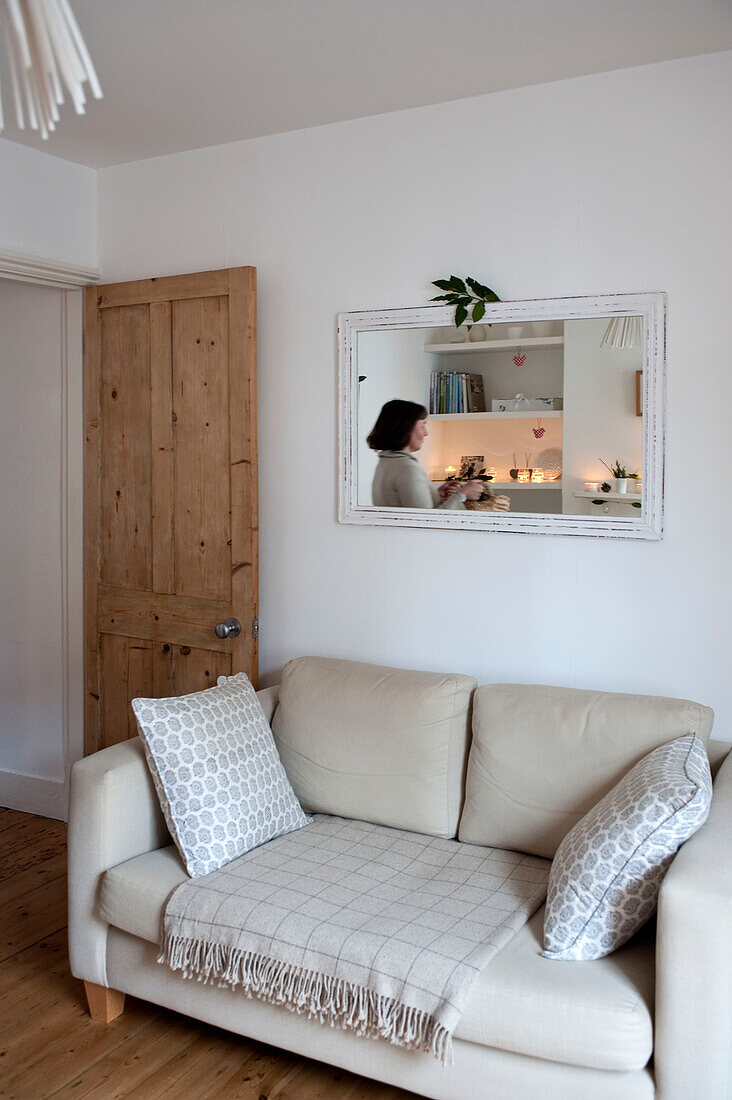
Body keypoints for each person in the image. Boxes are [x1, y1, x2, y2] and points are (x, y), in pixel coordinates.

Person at [367, 400, 483, 509]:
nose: (426, 433)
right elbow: (427, 522)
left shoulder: (386, 463)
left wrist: (434, 494)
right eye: (422, 426)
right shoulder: (407, 468)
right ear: (407, 428)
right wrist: (463, 495)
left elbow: (403, 504)